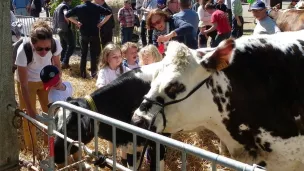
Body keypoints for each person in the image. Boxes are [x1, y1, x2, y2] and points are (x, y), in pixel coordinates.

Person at [15, 20, 62, 152]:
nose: (44, 51)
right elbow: (23, 84)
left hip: (45, 80)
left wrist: (58, 78)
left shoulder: (55, 43)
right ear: (32, 43)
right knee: (29, 118)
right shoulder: (23, 51)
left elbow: (57, 64)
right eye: (39, 48)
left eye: (47, 48)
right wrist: (30, 108)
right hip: (27, 82)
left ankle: (50, 146)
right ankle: (32, 149)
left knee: (49, 114)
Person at [65, 0, 112, 79]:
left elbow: (67, 15)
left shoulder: (79, 7)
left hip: (84, 34)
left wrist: (77, 22)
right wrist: (101, 23)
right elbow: (109, 12)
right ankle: (93, 73)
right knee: (94, 54)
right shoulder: (96, 6)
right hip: (94, 34)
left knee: (83, 54)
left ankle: (83, 73)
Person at [53, 0, 75, 69]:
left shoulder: (58, 6)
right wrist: (71, 22)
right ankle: (64, 62)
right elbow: (66, 15)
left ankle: (62, 60)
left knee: (64, 46)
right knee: (72, 45)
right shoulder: (65, 6)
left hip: (59, 29)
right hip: (65, 29)